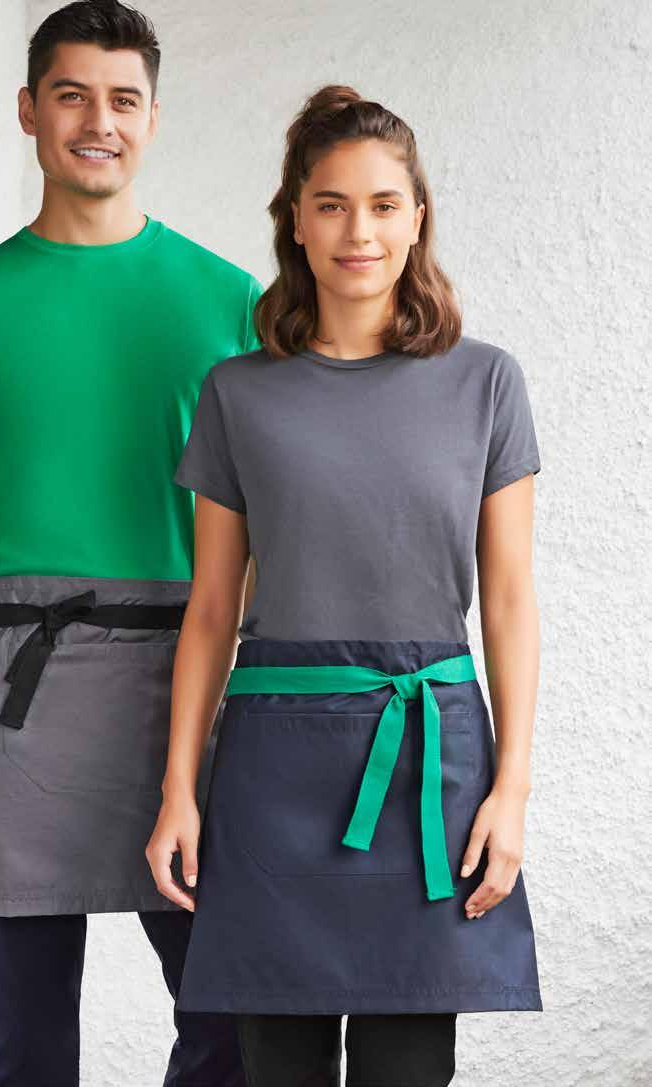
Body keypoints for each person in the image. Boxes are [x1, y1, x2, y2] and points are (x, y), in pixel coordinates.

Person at [0, 3, 262, 1084]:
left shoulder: (232, 301)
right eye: (71, 95)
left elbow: (275, 518)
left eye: (123, 99)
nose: (99, 122)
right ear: (28, 110)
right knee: (24, 1029)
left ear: (153, 119)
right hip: (23, 685)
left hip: (191, 680)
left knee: (232, 1014)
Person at [146, 85, 543, 1086]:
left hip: (429, 764)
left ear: (416, 219)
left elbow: (506, 601)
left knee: (408, 1067)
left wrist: (510, 789)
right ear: (295, 219)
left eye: (380, 204)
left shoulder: (486, 382)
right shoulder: (237, 392)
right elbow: (211, 611)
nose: (356, 231)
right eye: (329, 204)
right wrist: (178, 790)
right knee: (275, 1065)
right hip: (272, 769)